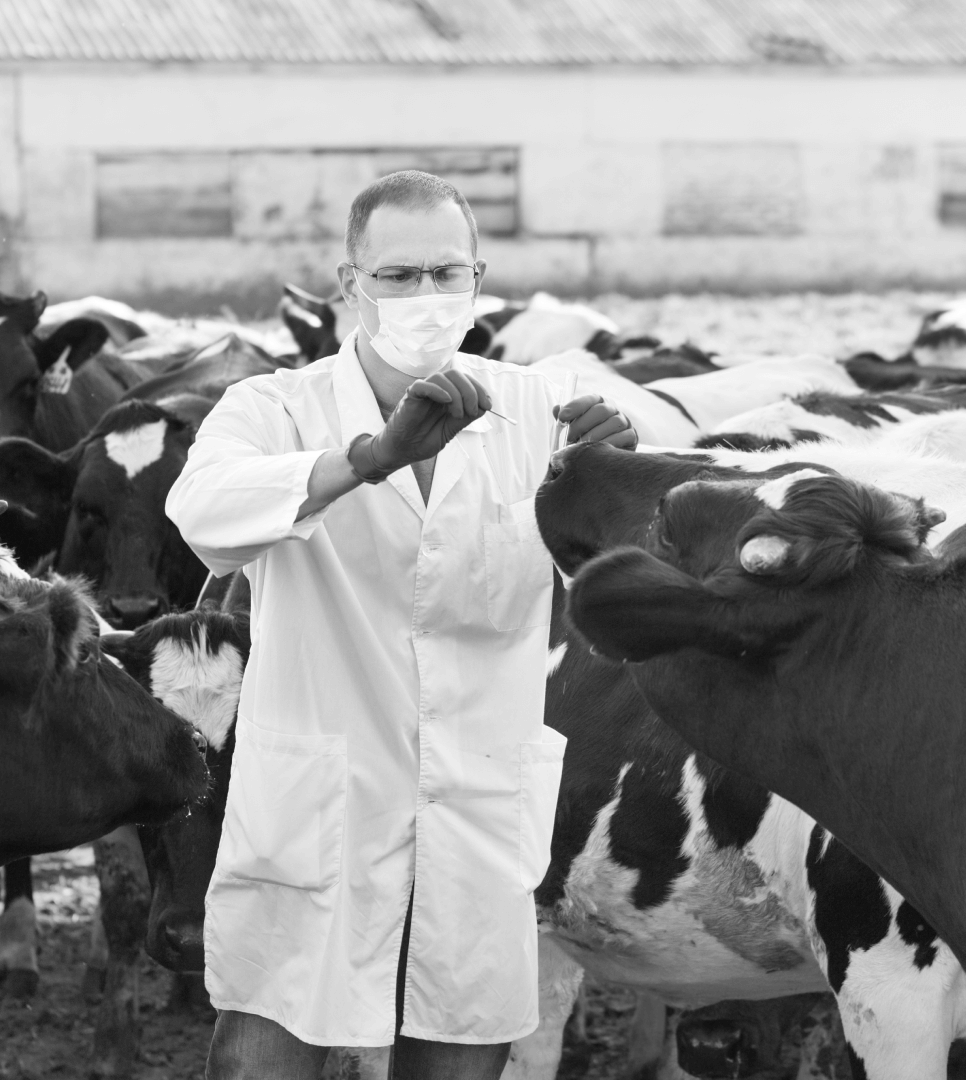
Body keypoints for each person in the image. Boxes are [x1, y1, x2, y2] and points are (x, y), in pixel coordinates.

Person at [166, 169, 637, 1080]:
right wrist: (367, 461)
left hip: (475, 804)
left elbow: (613, 569)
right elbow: (202, 514)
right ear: (350, 284)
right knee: (269, 1049)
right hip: (321, 813)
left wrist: (613, 490)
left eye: (446, 273)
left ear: (478, 279)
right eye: (397, 276)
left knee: (459, 1050)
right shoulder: (275, 409)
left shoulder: (538, 409)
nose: (426, 296)